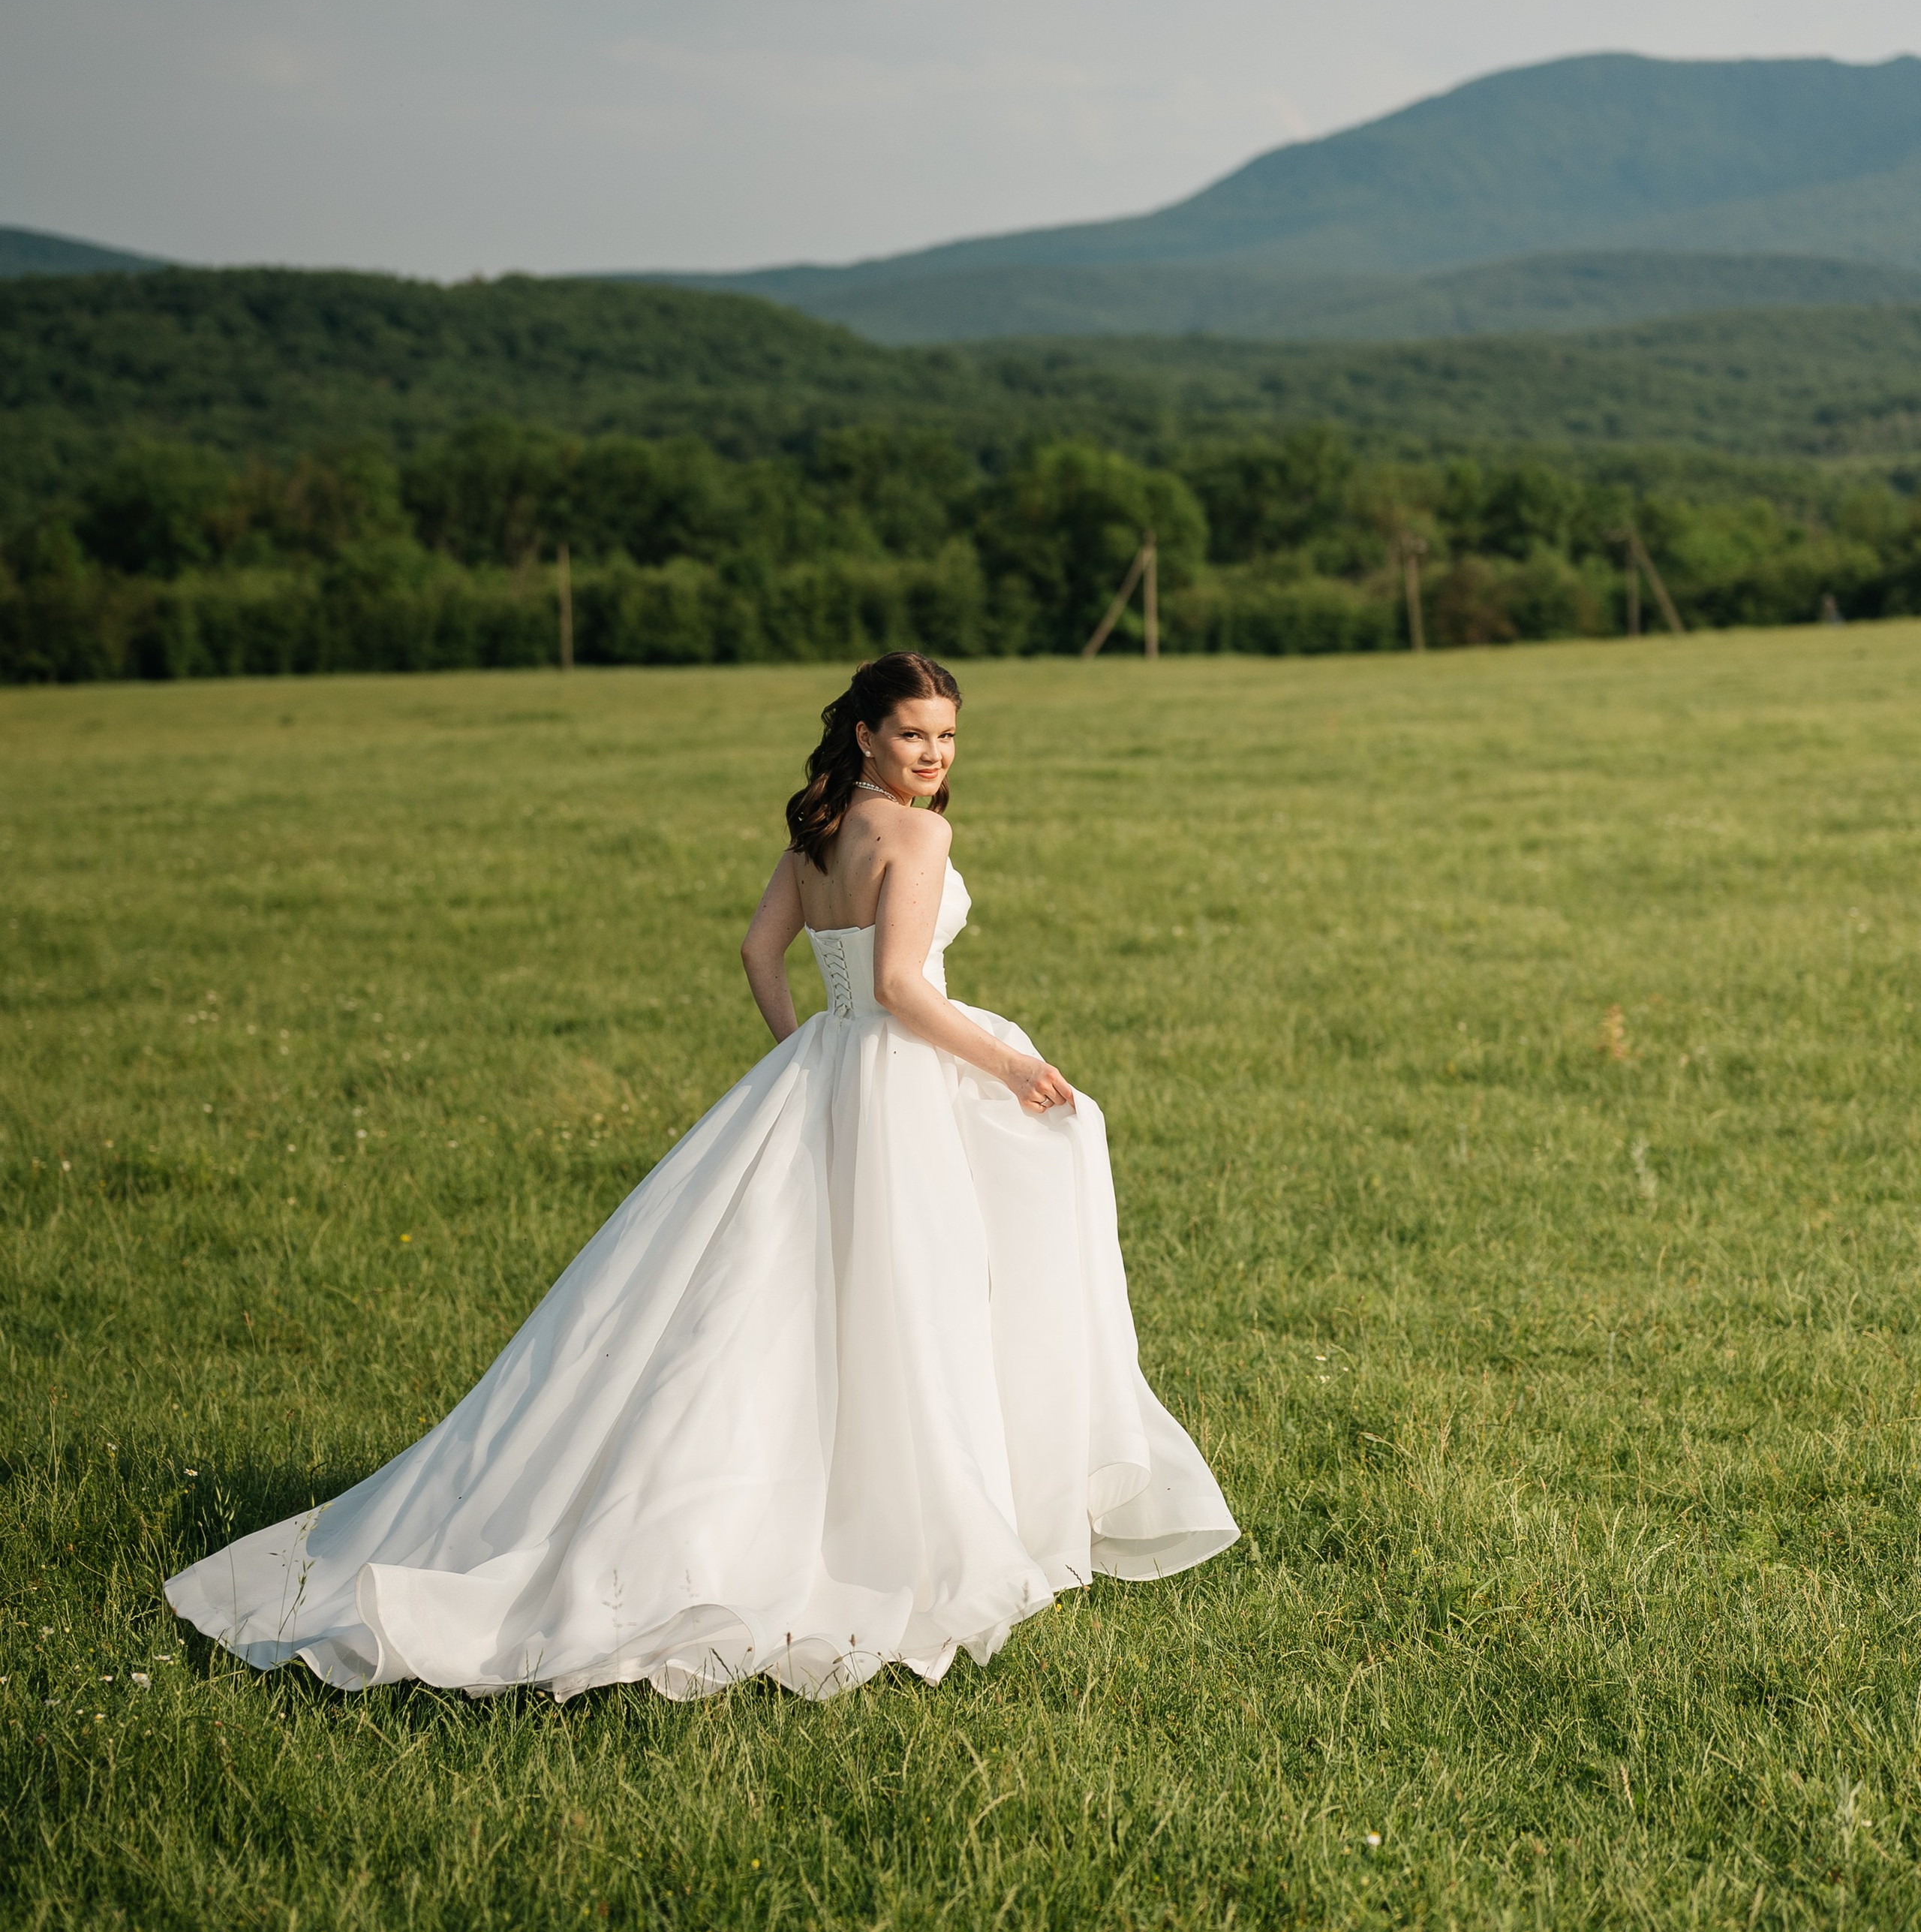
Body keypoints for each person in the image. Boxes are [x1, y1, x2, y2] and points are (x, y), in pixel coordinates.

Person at [165, 652, 1237, 1701]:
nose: (933, 753)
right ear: (867, 734)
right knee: (915, 1294)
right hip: (901, 1083)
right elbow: (905, 986)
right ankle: (904, 1526)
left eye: (948, 736)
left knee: (795, 1299)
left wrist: (800, 1051)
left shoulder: (817, 827)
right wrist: (1008, 1065)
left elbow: (760, 954)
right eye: (913, 733)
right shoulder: (915, 831)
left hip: (826, 1067)